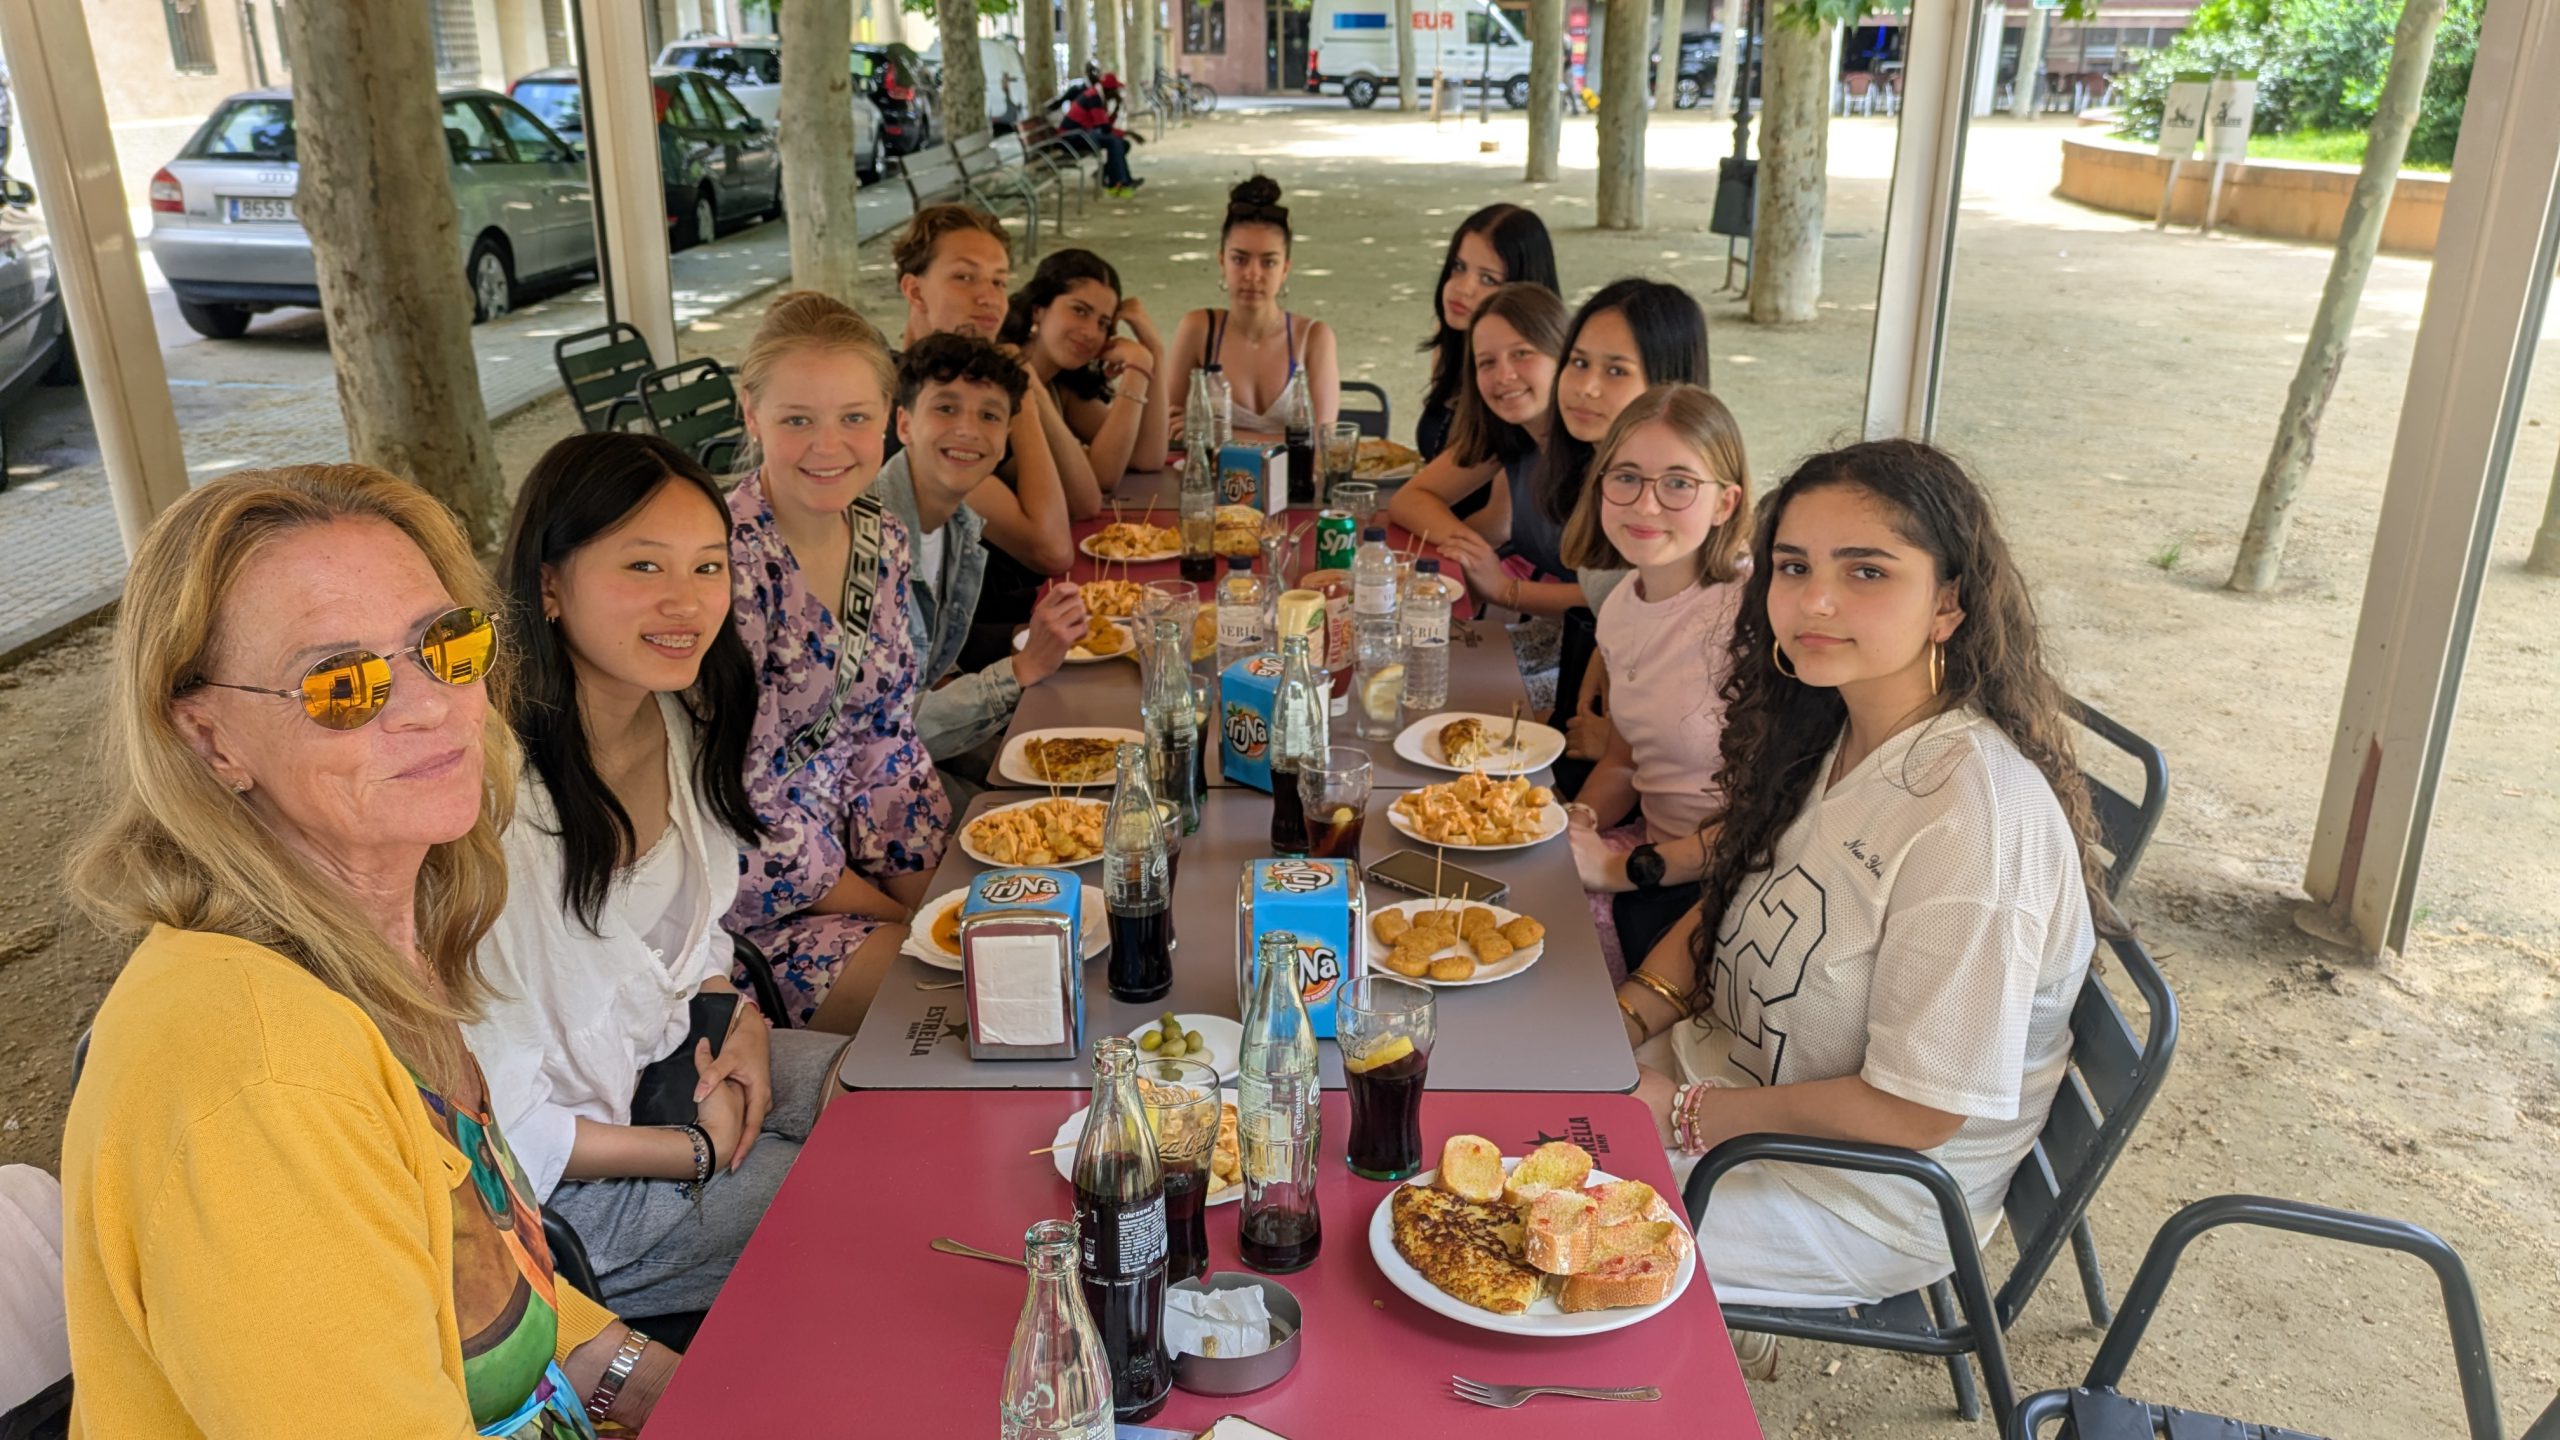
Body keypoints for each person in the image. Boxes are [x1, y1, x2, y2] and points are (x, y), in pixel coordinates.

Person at [61, 464, 675, 1434]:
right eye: (342, 684)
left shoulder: (376, 942)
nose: (430, 705)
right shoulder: (262, 1079)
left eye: (447, 645)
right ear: (211, 738)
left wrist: (661, 1385)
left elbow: (493, 1287)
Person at [1615, 439, 2106, 1366]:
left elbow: (1916, 1114)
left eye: (1866, 571)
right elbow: (1729, 899)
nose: (1815, 602)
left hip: (1853, 1194)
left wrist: (1681, 1112)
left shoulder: (1975, 819)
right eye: (1794, 567)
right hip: (1715, 1093)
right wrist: (1629, 1012)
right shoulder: (1835, 724)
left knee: (1515, 1223)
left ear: (1949, 603)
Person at [470, 431, 858, 1318]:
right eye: (644, 566)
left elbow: (693, 941)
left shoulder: (677, 717)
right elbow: (501, 1123)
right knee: (847, 1195)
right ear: (548, 585)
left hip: (672, 1063)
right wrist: (695, 1150)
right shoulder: (492, 803)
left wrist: (738, 1016)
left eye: (708, 566)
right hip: (565, 1192)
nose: (686, 602)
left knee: (887, 1094)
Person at [725, 290, 949, 1033]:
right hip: (759, 910)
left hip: (862, 869)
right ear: (752, 414)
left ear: (887, 416)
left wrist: (932, 896)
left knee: (1012, 954)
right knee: (950, 995)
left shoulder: (882, 537)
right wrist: (902, 918)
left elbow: (886, 740)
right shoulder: (720, 563)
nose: (829, 447)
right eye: (798, 420)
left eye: (853, 417)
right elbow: (744, 802)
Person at [1554, 385, 1754, 972]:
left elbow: (1765, 821)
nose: (1645, 505)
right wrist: (1580, 820)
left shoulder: (1751, 615)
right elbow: (1624, 762)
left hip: (1725, 884)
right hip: (1653, 851)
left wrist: (1615, 868)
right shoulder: (1621, 606)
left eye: (1678, 484)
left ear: (1725, 503)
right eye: (1627, 478)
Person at [871, 332, 1088, 769]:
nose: (968, 430)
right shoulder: (866, 541)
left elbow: (927, 679)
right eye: (946, 408)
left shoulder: (959, 527)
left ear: (1005, 438)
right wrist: (1021, 669)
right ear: (904, 424)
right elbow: (877, 735)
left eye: (989, 415)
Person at [890, 205, 1087, 677]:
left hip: (1004, 638)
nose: (989, 298)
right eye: (965, 277)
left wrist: (1022, 384)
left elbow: (1084, 500)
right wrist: (1024, 400)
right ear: (914, 290)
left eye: (998, 282)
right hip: (964, 664)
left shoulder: (977, 392)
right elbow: (1052, 549)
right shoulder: (920, 414)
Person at [1387, 283, 1567, 564]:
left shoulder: (1596, 447)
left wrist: (1504, 586)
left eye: (1521, 353)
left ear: (1562, 353)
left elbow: (1614, 586)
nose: (1503, 376)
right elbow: (1408, 500)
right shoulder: (1509, 433)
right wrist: (1473, 552)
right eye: (1487, 362)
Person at [1163, 176, 1341, 444]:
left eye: (1268, 262)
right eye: (1239, 259)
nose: (1252, 274)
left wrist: (1217, 434)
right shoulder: (1199, 330)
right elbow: (1167, 428)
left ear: (1285, 269)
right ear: (1222, 262)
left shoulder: (1313, 338)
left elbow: (1322, 442)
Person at [1000, 248, 1171, 492]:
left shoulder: (1059, 385)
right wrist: (1138, 366)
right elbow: (1100, 477)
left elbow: (1146, 457)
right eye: (1080, 311)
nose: (1091, 332)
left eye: (1103, 323)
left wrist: (1155, 351)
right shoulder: (1002, 377)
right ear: (1038, 309)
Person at [1415, 205, 1558, 474]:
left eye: (1488, 279)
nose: (1463, 288)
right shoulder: (1449, 345)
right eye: (1459, 267)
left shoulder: (1523, 380)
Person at [1060, 72, 1141, 195]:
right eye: (1115, 91)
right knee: (1114, 142)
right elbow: (1105, 128)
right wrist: (1128, 133)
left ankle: (1107, 174)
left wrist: (1117, 108)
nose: (1117, 93)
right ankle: (1118, 183)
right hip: (1072, 137)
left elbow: (1105, 124)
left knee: (1123, 144)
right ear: (1109, 90)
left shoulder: (1098, 96)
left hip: (1084, 134)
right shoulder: (1093, 98)